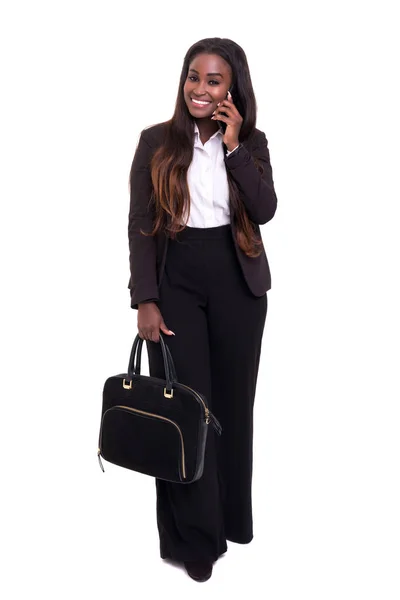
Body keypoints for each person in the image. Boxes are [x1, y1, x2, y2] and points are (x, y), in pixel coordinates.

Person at [127, 37, 278, 582]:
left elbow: (265, 209)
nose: (200, 88)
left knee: (233, 409)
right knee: (187, 409)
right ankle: (194, 537)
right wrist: (145, 298)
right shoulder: (156, 143)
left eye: (213, 80)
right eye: (194, 76)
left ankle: (231, 521)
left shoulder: (251, 143)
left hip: (238, 281)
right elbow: (141, 226)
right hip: (177, 279)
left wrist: (235, 147)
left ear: (231, 89)